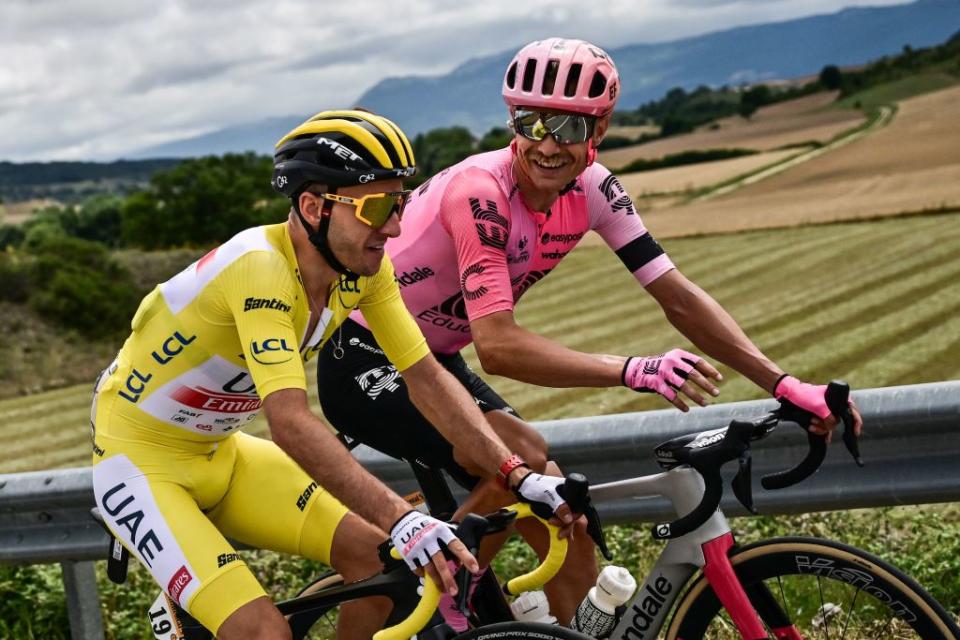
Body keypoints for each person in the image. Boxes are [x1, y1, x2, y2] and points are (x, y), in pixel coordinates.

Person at [315, 39, 864, 624]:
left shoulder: (597, 191)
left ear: (597, 130)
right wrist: (632, 369)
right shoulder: (481, 195)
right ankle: (441, 594)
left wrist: (783, 384)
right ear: (512, 123)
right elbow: (497, 347)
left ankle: (520, 616)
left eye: (569, 128)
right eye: (532, 123)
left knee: (563, 518)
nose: (549, 144)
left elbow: (677, 296)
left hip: (434, 357)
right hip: (361, 355)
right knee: (522, 451)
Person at [90, 109, 577, 640]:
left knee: (377, 564)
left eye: (402, 203)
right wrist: (402, 517)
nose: (394, 226)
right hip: (140, 466)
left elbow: (427, 379)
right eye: (378, 207)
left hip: (221, 453)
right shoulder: (260, 269)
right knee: (264, 633)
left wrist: (515, 474)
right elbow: (291, 422)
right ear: (313, 206)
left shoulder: (364, 269)